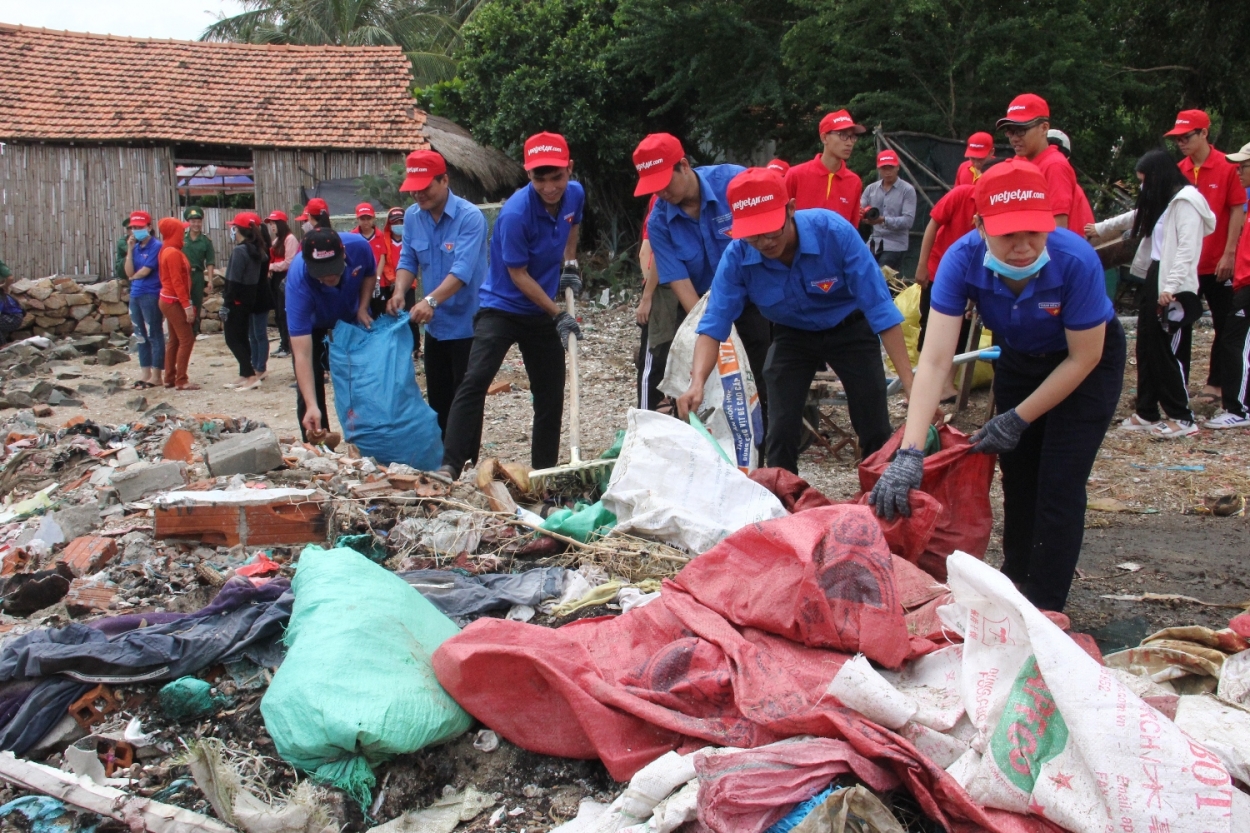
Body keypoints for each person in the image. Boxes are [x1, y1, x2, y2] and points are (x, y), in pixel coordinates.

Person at [869, 158, 1125, 613]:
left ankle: (1045, 609)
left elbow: (1085, 356)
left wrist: (1019, 415)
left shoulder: (1075, 260)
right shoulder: (962, 260)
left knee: (1060, 485)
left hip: (1083, 366)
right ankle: (1016, 585)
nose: (1024, 247)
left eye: (1034, 231)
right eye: (1008, 234)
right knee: (1018, 477)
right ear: (980, 225)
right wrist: (909, 451)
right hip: (1022, 362)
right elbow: (934, 359)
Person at [675, 167, 915, 472]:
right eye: (752, 234)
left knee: (874, 421)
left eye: (771, 230)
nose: (764, 242)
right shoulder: (738, 257)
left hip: (850, 329)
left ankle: (881, 497)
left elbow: (881, 310)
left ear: (790, 209)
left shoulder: (834, 233)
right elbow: (714, 324)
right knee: (781, 427)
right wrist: (696, 383)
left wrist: (909, 383)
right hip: (793, 335)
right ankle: (783, 504)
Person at [435, 132, 584, 480]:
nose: (549, 187)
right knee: (475, 381)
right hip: (502, 307)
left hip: (541, 309)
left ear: (569, 169)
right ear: (527, 173)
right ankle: (450, 465)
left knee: (550, 393)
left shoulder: (575, 194)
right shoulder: (516, 213)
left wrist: (570, 264)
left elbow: (573, 224)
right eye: (539, 179)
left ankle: (543, 473)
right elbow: (518, 275)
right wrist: (558, 313)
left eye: (557, 177)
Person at [633, 133, 772, 421]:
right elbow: (679, 282)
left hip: (752, 301)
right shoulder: (659, 221)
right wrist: (714, 329)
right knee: (697, 380)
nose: (662, 194)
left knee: (761, 384)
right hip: (701, 307)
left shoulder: (734, 183)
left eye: (665, 183)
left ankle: (763, 457)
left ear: (683, 166)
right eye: (654, 189)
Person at [1085, 151, 1213, 437]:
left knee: (1166, 350)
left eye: (1144, 181)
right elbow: (1134, 217)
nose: (1142, 188)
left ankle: (1182, 417)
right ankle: (1147, 411)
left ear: (1158, 178)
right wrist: (1099, 229)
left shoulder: (1187, 203)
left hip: (1174, 284)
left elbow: (1187, 251)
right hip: (1155, 276)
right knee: (1146, 346)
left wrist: (1170, 288)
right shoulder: (1162, 202)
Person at [387, 149, 488, 436]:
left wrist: (431, 300)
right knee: (438, 399)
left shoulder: (470, 218)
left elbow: (462, 271)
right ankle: (443, 459)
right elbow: (408, 260)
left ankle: (464, 462)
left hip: (468, 325)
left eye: (425, 187)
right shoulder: (413, 217)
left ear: (444, 180)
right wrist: (399, 291)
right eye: (413, 190)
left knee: (466, 399)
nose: (419, 195)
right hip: (436, 327)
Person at [1165, 109, 1248, 403]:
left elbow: (1237, 208)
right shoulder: (1178, 170)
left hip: (1217, 261)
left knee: (1226, 325)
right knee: (1180, 322)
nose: (1181, 143)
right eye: (1177, 138)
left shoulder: (1228, 167)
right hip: (1188, 264)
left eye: (1186, 137)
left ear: (1204, 134)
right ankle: (1179, 382)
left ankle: (1218, 383)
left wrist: (1229, 253)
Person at [285, 226, 377, 440]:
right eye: (321, 271)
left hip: (351, 317)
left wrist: (363, 307)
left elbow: (370, 274)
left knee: (362, 376)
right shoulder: (298, 281)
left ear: (343, 254)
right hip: (315, 322)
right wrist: (311, 404)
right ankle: (319, 440)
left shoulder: (359, 247)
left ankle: (369, 438)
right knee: (311, 384)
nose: (329, 276)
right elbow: (302, 355)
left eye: (334, 268)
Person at [913, 182, 977, 400]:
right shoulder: (961, 194)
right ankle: (924, 382)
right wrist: (922, 264)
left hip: (971, 274)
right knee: (929, 323)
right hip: (939, 267)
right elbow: (933, 224)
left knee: (963, 326)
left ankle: (948, 384)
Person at [996, 93, 1095, 231]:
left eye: (1021, 131)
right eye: (1010, 132)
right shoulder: (1021, 161)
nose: (1014, 138)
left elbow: (1058, 229)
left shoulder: (1054, 165)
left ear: (1044, 128)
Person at [1204, 142, 1250, 429]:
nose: (1238, 171)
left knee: (1234, 342)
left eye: (1243, 166)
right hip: (1243, 282)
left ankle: (1239, 408)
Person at [784, 110, 865, 224]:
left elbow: (851, 229)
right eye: (843, 135)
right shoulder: (796, 175)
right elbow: (782, 220)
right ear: (824, 138)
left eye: (852, 137)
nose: (849, 143)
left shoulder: (854, 182)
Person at [222, 213, 266, 391]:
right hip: (249, 297)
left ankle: (249, 375)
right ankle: (245, 372)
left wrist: (226, 303)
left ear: (237, 229)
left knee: (232, 339)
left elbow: (234, 279)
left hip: (238, 299)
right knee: (242, 337)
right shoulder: (257, 250)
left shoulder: (240, 251)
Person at [156, 217, 199, 390]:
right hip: (173, 300)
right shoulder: (172, 252)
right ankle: (181, 380)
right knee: (186, 339)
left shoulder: (167, 249)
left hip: (167, 299)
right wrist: (186, 306)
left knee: (174, 340)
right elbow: (177, 282)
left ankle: (170, 377)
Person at [124, 210, 165, 389]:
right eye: (133, 227)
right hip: (135, 293)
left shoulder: (156, 246)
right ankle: (145, 372)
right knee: (140, 335)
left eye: (140, 227)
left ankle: (157, 374)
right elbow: (128, 271)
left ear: (149, 227)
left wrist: (133, 277)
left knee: (154, 334)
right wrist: (129, 249)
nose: (136, 230)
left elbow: (145, 271)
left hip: (150, 293)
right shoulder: (136, 247)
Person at [861, 149, 917, 270]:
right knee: (862, 268)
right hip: (874, 241)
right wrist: (862, 216)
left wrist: (883, 220)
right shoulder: (871, 189)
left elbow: (908, 221)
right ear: (879, 169)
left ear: (897, 167)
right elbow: (860, 208)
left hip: (895, 244)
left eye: (890, 167)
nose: (887, 172)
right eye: (884, 168)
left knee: (883, 276)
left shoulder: (907, 190)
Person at [265, 211, 297, 358]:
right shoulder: (277, 240)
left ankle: (288, 345)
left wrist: (271, 267)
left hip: (285, 278)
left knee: (284, 313)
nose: (272, 227)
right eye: (270, 224)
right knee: (278, 313)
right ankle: (283, 343)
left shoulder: (290, 239)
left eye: (274, 223)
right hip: (276, 278)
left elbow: (289, 262)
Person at [182, 207, 216, 335]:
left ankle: (194, 331)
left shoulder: (206, 241)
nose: (196, 224)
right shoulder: (182, 239)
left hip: (197, 275)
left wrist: (211, 281)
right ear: (188, 222)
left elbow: (210, 262)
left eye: (198, 221)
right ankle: (182, 331)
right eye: (193, 221)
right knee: (182, 302)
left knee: (196, 303)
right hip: (183, 275)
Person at [249, 218, 274, 379]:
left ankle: (260, 366)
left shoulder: (260, 250)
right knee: (253, 333)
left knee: (259, 333)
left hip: (260, 294)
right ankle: (255, 363)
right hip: (253, 294)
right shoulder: (256, 249)